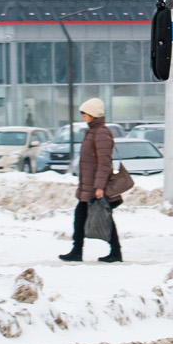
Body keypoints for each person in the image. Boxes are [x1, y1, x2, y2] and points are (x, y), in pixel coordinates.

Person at [59, 98, 123, 263]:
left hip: (95, 187)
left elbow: (104, 163)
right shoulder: (92, 131)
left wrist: (99, 187)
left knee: (101, 217)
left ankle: (112, 252)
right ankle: (79, 251)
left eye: (84, 113)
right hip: (88, 186)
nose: (82, 116)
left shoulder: (101, 133)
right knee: (83, 217)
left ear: (92, 114)